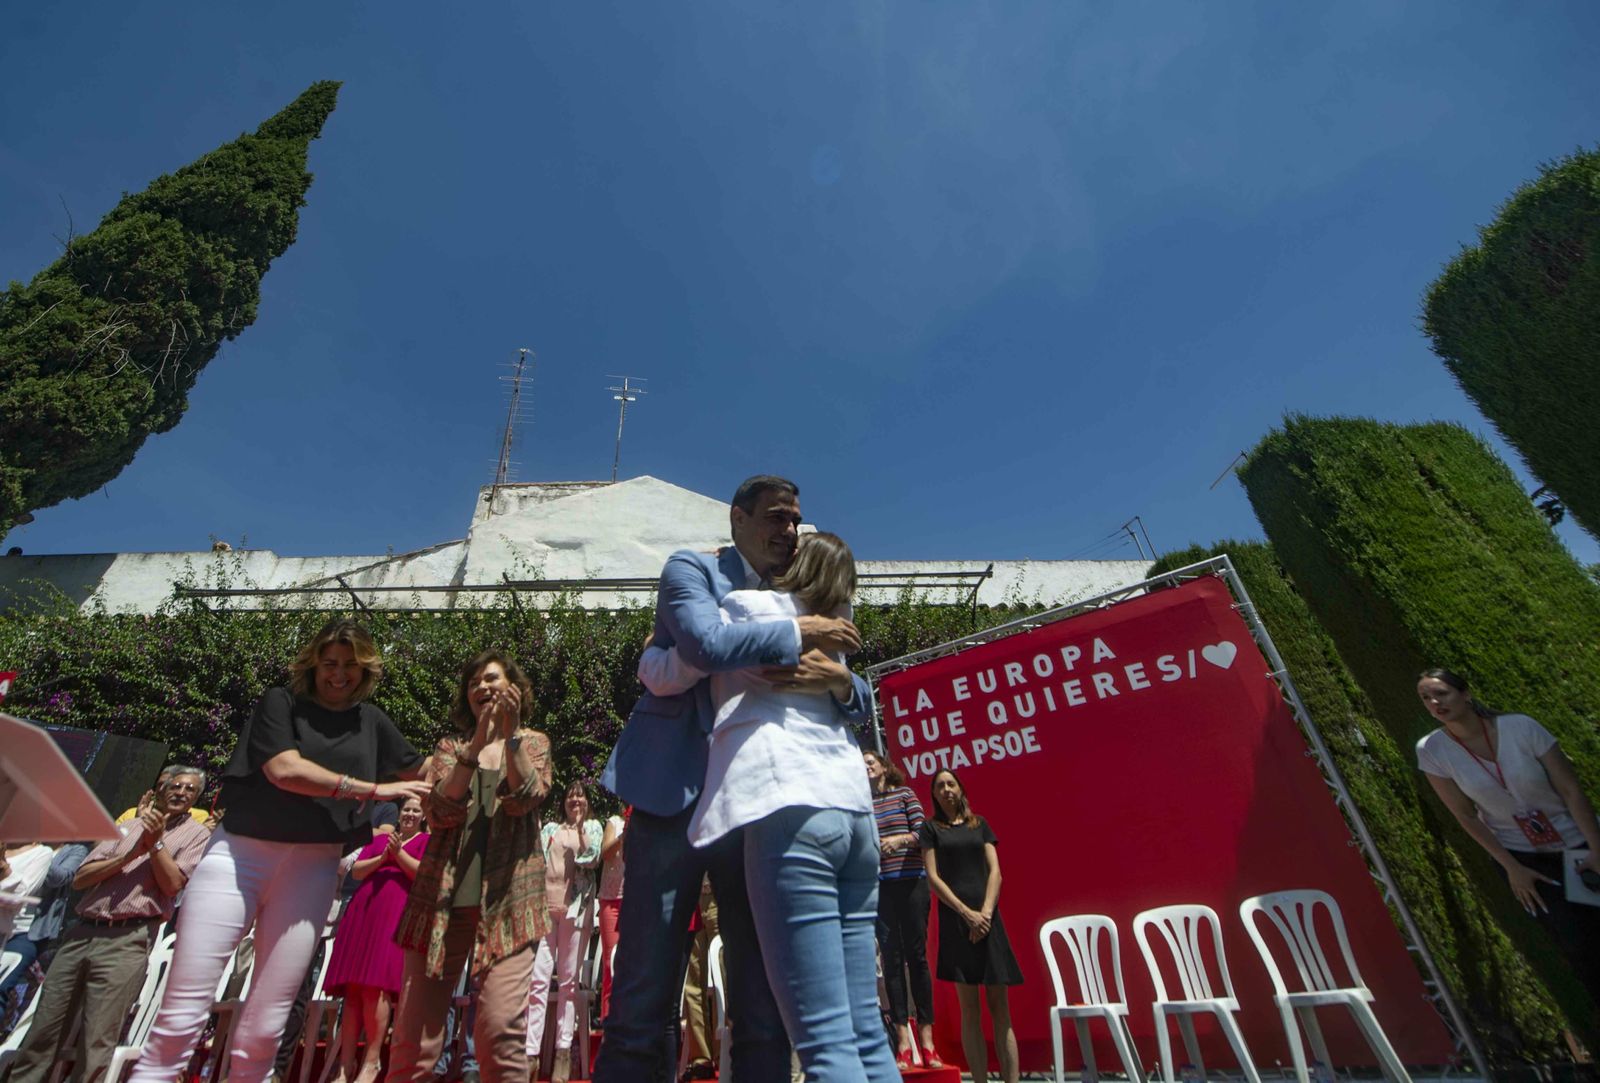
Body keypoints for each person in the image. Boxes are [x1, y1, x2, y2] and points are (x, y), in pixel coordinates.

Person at [594, 475, 869, 1083]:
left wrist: (843, 683)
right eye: (775, 517)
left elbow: (853, 683)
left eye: (794, 519)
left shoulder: (804, 585)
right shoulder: (691, 568)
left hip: (758, 807)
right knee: (643, 992)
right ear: (737, 520)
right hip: (672, 796)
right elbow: (704, 643)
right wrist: (797, 633)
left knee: (763, 1001)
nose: (789, 530)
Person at [126, 621, 429, 1083]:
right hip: (239, 858)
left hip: (313, 868)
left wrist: (478, 750)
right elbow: (285, 770)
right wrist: (372, 789)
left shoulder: (371, 721)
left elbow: (426, 770)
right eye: (330, 663)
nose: (339, 674)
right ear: (313, 664)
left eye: (350, 665)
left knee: (269, 1020)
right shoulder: (280, 702)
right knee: (184, 1009)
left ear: (366, 669)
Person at [385, 649, 553, 1083]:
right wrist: (476, 745)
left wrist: (509, 740)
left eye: (492, 678)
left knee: (499, 1034)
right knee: (413, 1041)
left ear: (514, 689)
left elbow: (527, 797)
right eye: (474, 682)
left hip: (511, 906)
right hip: (440, 904)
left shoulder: (534, 743)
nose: (482, 686)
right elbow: (440, 810)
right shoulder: (450, 748)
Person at [5, 767, 210, 1083]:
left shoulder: (197, 835)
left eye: (190, 789)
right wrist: (128, 856)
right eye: (177, 785)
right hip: (81, 933)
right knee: (44, 1029)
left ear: (196, 798)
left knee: (97, 1039)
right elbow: (81, 879)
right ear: (161, 788)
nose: (182, 792)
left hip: (128, 939)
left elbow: (172, 885)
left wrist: (155, 845)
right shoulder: (127, 826)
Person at [1415, 668, 1600, 1004]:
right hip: (1524, 859)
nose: (1434, 702)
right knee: (1578, 945)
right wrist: (1510, 866)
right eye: (1426, 698)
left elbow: (1571, 790)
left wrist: (1596, 848)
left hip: (1579, 841)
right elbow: (1465, 815)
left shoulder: (1520, 727)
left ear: (1466, 694)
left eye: (1441, 693)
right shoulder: (1432, 750)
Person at [919, 769, 1021, 1083]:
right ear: (934, 794)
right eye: (940, 786)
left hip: (988, 922)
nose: (946, 790)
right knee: (970, 1010)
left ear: (960, 789)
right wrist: (967, 914)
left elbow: (995, 872)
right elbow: (933, 878)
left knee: (1000, 1008)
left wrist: (985, 914)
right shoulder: (930, 829)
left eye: (951, 784)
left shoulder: (980, 825)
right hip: (957, 923)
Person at [323, 796, 429, 1083]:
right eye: (406, 809)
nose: (409, 814)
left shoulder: (426, 842)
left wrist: (399, 854)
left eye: (415, 810)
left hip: (395, 914)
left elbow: (423, 875)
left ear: (423, 816)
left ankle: (371, 1062)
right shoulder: (381, 839)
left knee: (375, 988)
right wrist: (383, 857)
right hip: (364, 913)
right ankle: (345, 1065)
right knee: (353, 991)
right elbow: (357, 871)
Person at [864, 749, 942, 1070]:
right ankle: (903, 1042)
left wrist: (898, 840)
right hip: (881, 888)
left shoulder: (905, 795)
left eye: (870, 762)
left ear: (884, 766)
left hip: (911, 883)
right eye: (862, 765)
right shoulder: (862, 804)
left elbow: (924, 832)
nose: (866, 768)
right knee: (891, 961)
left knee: (917, 958)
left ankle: (928, 1040)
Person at [525, 782, 601, 1083]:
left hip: (575, 910)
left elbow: (591, 857)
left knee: (568, 983)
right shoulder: (550, 829)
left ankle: (562, 1053)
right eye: (571, 796)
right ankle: (530, 1055)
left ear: (587, 802)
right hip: (546, 909)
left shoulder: (593, 827)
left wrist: (580, 829)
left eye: (580, 796)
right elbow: (535, 862)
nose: (575, 800)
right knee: (538, 980)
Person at [595, 808, 627, 1024]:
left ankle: (629, 1019)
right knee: (610, 961)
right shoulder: (614, 822)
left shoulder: (647, 823)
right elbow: (605, 853)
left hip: (635, 899)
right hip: (611, 900)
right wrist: (624, 836)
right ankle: (609, 1019)